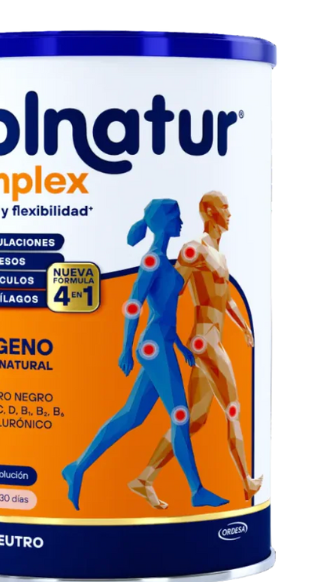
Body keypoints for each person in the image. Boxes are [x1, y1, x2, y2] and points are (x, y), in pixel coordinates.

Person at [62, 199, 228, 511]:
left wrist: (180, 347)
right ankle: (197, 491)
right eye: (176, 217)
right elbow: (133, 305)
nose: (181, 223)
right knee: (181, 415)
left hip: (162, 343)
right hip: (153, 347)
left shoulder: (163, 261)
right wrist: (125, 349)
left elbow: (165, 316)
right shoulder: (152, 260)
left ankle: (77, 467)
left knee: (131, 416)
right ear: (163, 222)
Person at [129, 192, 262, 509]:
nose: (229, 214)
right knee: (233, 407)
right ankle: (246, 481)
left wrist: (244, 327)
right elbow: (172, 288)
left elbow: (225, 298)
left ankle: (144, 478)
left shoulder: (218, 255)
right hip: (204, 339)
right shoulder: (194, 249)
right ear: (209, 212)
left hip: (213, 337)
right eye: (224, 208)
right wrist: (162, 330)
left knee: (195, 420)